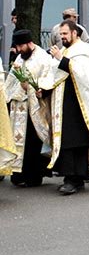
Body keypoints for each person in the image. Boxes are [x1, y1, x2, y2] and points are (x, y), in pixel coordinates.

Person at [47, 20, 89, 195]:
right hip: (63, 102)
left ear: (74, 33)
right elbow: (54, 73)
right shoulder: (64, 50)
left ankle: (74, 178)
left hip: (79, 103)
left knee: (75, 141)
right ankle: (73, 176)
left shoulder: (83, 50)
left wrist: (62, 60)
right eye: (61, 34)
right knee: (67, 140)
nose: (62, 37)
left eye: (65, 34)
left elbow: (85, 75)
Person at [4, 30, 55, 187]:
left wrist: (32, 88)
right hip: (18, 108)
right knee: (18, 140)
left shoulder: (43, 58)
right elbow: (11, 81)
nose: (19, 50)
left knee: (33, 143)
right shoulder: (20, 57)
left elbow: (48, 81)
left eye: (20, 46)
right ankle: (18, 175)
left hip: (34, 108)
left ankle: (33, 177)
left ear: (28, 43)